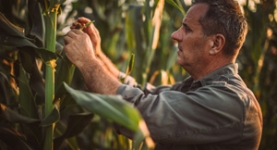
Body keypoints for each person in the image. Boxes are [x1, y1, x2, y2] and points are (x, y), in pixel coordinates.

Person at [64, 0, 263, 149]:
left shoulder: (232, 103)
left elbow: (141, 113)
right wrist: (97, 55)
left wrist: (87, 62)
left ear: (215, 44)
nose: (175, 35)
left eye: (187, 29)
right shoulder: (196, 88)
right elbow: (140, 93)